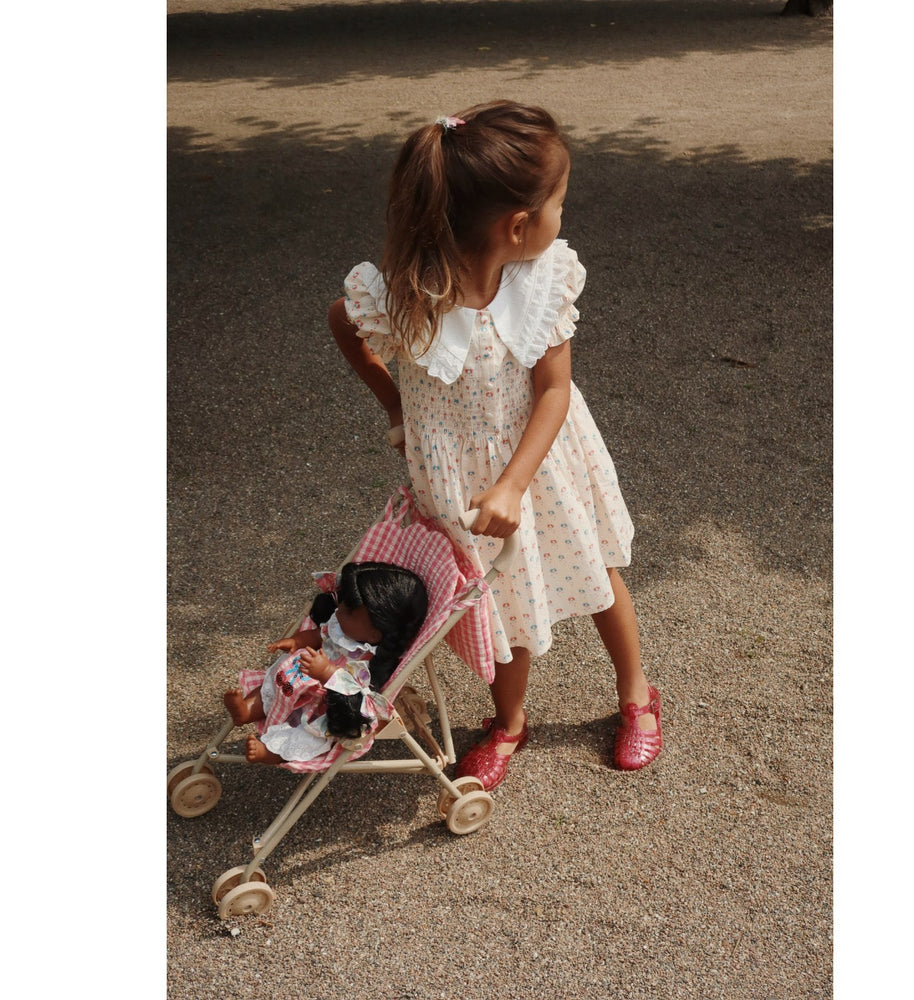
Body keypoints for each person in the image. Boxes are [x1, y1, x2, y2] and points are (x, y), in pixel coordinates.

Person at [329, 101, 661, 791]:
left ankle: (636, 692)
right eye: (559, 204)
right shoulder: (403, 295)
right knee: (497, 599)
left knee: (597, 572)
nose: (562, 216)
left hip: (542, 465)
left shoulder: (541, 284)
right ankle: (509, 722)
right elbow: (344, 323)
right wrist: (396, 406)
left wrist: (513, 483)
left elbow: (554, 391)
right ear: (517, 225)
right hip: (460, 482)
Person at [224, 562, 428, 764]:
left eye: (348, 611)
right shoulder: (341, 626)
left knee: (310, 736)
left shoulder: (370, 662)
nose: (338, 611)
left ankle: (273, 753)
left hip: (324, 706)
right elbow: (317, 635)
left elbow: (357, 695)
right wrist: (296, 641)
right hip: (297, 680)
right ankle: (247, 710)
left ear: (375, 634)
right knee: (271, 685)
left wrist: (327, 672)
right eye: (342, 603)